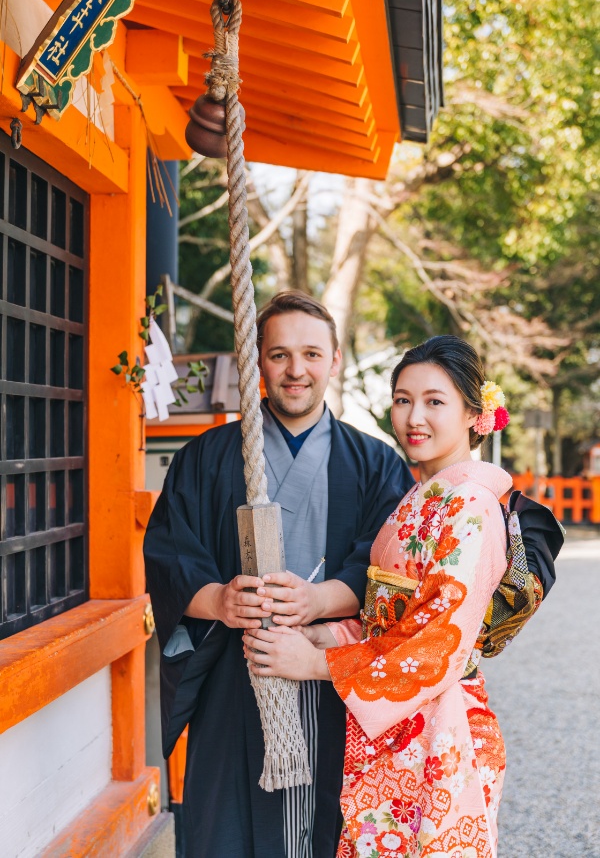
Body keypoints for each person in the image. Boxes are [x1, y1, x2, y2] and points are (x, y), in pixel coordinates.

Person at [143, 291, 415, 858]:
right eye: (280, 355)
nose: (297, 371)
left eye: (312, 354)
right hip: (233, 675)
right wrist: (218, 600)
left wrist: (317, 601)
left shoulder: (376, 463)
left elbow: (392, 567)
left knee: (335, 828)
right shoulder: (207, 457)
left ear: (335, 360)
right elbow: (169, 552)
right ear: (257, 361)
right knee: (226, 830)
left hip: (332, 677)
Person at [243, 335, 525, 858]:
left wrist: (319, 662)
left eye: (434, 401)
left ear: (473, 414)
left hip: (440, 730)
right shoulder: (421, 499)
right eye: (402, 399)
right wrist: (317, 633)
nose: (414, 416)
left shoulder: (470, 507)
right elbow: (386, 621)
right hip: (399, 723)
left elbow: (437, 642)